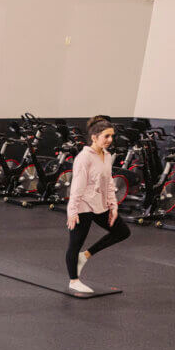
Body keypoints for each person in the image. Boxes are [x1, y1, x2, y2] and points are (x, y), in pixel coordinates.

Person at [65, 116, 130, 293]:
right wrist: (72, 212)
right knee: (75, 244)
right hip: (83, 206)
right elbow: (77, 187)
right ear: (94, 137)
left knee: (122, 232)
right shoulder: (84, 158)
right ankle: (73, 280)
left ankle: (85, 256)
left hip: (100, 204)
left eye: (112, 136)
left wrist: (113, 206)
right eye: (106, 136)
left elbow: (109, 183)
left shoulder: (107, 156)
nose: (110, 140)